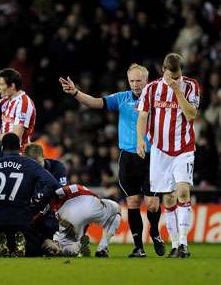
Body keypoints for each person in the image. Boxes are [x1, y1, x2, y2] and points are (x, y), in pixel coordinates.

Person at [59, 63, 165, 258]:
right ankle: (138, 247)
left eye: (138, 81)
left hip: (152, 156)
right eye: (132, 80)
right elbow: (95, 102)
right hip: (128, 157)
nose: (135, 84)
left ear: (146, 80)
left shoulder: (157, 99)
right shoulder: (122, 98)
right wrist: (75, 92)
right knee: (132, 202)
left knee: (152, 204)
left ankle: (155, 232)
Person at [136, 53, 200, 258]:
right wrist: (140, 139)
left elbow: (191, 115)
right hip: (160, 150)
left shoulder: (190, 86)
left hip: (184, 148)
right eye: (173, 77)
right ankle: (174, 245)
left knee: (183, 192)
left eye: (179, 76)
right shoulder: (151, 88)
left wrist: (177, 91)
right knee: (169, 198)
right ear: (163, 71)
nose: (176, 80)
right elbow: (143, 115)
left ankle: (184, 244)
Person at [0, 133, 60, 257]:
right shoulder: (30, 164)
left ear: (2, 148)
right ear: (20, 147)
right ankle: (17, 244)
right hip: (21, 219)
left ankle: (3, 244)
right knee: (35, 251)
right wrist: (37, 206)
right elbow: (52, 184)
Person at [42, 184, 121, 258]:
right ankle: (102, 248)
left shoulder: (50, 198)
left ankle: (58, 246)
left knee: (70, 250)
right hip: (90, 202)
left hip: (68, 213)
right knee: (116, 209)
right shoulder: (67, 186)